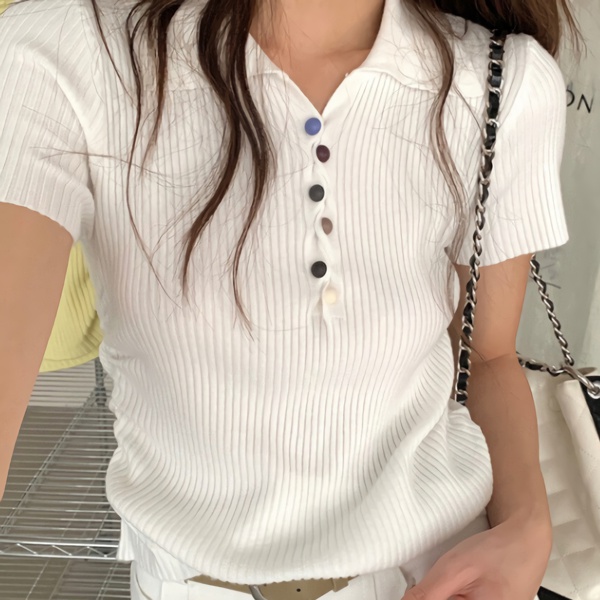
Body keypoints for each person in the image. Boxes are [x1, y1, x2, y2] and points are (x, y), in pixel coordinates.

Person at [0, 0, 581, 598]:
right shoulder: (65, 54)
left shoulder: (500, 79)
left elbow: (486, 357)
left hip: (439, 576)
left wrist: (527, 522)